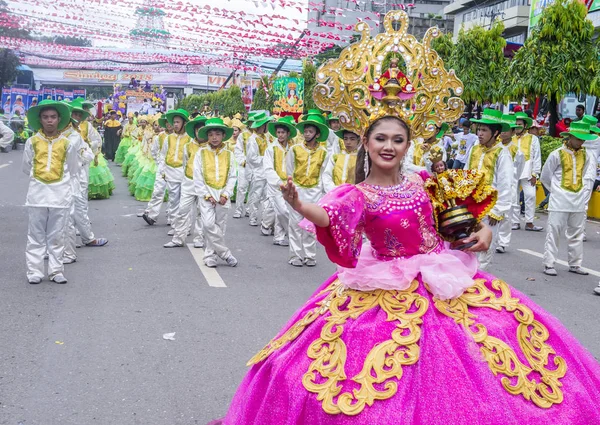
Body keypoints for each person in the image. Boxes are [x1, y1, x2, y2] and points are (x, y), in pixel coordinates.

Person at [213, 115, 600, 425]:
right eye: (380, 138)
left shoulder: (424, 181)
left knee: (497, 354)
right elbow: (328, 216)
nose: (389, 146)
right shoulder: (358, 194)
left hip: (445, 280)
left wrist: (483, 229)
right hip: (384, 283)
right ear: (366, 143)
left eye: (397, 140)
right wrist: (299, 204)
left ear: (407, 146)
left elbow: (462, 217)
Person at [22, 100, 80, 284]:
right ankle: (34, 271)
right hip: (37, 195)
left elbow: (72, 168)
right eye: (45, 117)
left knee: (57, 235)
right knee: (35, 235)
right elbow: (26, 166)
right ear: (40, 120)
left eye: (53, 117)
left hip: (59, 195)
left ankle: (56, 271)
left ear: (59, 119)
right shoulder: (31, 142)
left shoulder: (66, 143)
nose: (49, 121)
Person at [541, 121, 595, 276]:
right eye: (578, 138)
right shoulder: (557, 154)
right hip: (559, 201)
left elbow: (584, 175)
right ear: (569, 137)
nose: (581, 141)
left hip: (577, 200)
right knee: (554, 232)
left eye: (583, 139)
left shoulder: (586, 155)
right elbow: (545, 177)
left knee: (577, 233)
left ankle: (575, 264)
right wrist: (556, 192)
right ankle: (549, 263)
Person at [467, 108, 513, 270]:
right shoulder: (474, 149)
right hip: (470, 206)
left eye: (484, 130)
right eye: (479, 129)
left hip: (490, 208)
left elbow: (506, 183)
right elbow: (465, 175)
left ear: (496, 133)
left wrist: (498, 211)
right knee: (466, 245)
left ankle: (479, 282)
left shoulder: (502, 153)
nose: (479, 133)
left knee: (485, 248)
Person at [285, 112, 329, 267]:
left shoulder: (324, 153)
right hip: (298, 189)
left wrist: (324, 193)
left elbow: (325, 173)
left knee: (311, 224)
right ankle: (295, 255)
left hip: (315, 190)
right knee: (295, 223)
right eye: (305, 131)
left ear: (317, 134)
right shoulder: (295, 149)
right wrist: (290, 189)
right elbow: (289, 169)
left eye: (310, 131)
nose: (306, 134)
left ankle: (310, 255)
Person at [193, 118, 238, 268]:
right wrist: (207, 195)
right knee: (207, 224)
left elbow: (232, 175)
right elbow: (197, 176)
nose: (214, 137)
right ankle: (225, 253)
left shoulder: (229, 154)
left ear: (223, 135)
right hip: (207, 194)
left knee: (220, 227)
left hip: (223, 194)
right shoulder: (201, 153)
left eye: (217, 134)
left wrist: (226, 194)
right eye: (211, 134)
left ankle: (210, 256)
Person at [164, 115, 208, 248]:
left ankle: (199, 238)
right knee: (183, 210)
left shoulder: (210, 148)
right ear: (194, 131)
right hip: (189, 182)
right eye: (197, 130)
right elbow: (185, 163)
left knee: (202, 212)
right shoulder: (188, 146)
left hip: (205, 185)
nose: (199, 133)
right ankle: (178, 238)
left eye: (202, 131)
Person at [142, 109, 189, 226]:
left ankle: (174, 220)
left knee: (179, 198)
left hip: (182, 171)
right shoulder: (162, 137)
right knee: (159, 191)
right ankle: (152, 215)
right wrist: (161, 165)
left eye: (176, 122)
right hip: (165, 168)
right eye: (170, 122)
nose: (172, 125)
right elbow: (158, 153)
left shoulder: (188, 138)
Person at [263, 116, 296, 246]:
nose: (280, 135)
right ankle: (294, 234)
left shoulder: (293, 148)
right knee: (283, 210)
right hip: (276, 185)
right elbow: (268, 168)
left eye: (283, 132)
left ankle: (279, 236)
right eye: (278, 132)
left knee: (283, 210)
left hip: (290, 184)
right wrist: (278, 182)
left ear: (288, 134)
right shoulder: (271, 149)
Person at [496, 114, 525, 254]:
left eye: (507, 130)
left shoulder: (516, 151)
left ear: (513, 132)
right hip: (495, 184)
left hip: (510, 185)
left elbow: (519, 169)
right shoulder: (494, 147)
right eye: (502, 129)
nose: (503, 133)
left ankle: (503, 242)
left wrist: (513, 183)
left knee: (506, 215)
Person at [512, 112, 543, 232]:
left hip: (528, 172)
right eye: (516, 124)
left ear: (525, 125)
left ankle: (529, 222)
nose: (517, 127)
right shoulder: (511, 138)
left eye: (520, 124)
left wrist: (535, 174)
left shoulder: (533, 138)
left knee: (530, 195)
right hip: (513, 171)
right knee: (513, 198)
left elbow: (537, 157)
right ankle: (515, 222)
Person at [245, 112, 272, 227]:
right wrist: (265, 158)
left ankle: (265, 220)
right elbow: (252, 158)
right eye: (266, 124)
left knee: (267, 196)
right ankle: (253, 217)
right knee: (255, 196)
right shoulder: (253, 140)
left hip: (267, 171)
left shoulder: (266, 138)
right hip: (257, 172)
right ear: (262, 125)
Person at [232, 112, 257, 219]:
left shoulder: (260, 136)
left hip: (256, 167)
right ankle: (238, 210)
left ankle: (249, 210)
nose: (252, 124)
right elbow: (238, 150)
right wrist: (243, 161)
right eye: (251, 122)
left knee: (253, 189)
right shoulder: (243, 135)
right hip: (244, 166)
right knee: (241, 188)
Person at [322, 129, 360, 193]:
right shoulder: (336, 157)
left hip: (353, 195)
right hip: (335, 194)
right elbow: (327, 174)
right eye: (345, 139)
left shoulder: (360, 158)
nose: (348, 142)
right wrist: (333, 190)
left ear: (358, 141)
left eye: (352, 139)